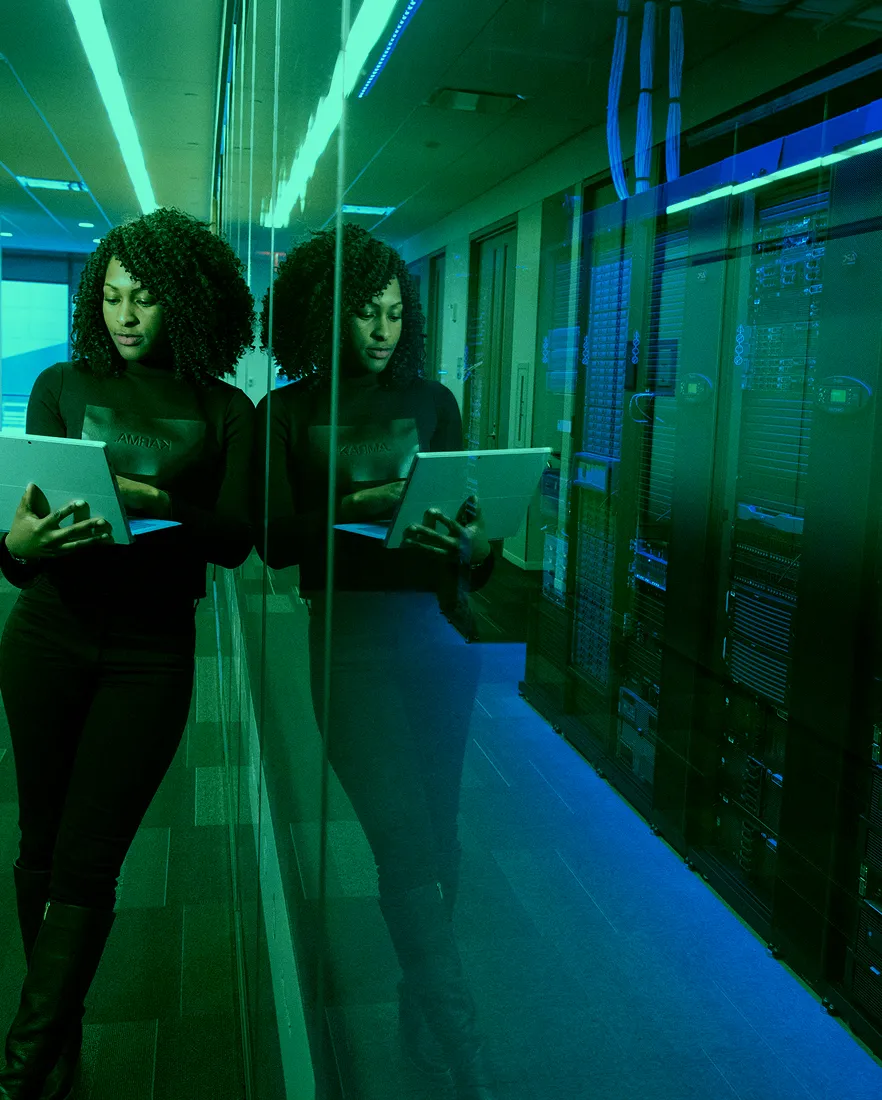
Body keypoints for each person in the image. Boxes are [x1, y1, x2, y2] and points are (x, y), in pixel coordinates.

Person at [0, 207, 255, 1100]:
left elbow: (234, 540)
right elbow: (15, 540)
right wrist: (17, 548)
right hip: (47, 630)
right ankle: (50, 1037)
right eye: (110, 296)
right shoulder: (62, 386)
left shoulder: (227, 409)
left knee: (90, 854)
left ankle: (23, 1064)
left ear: (186, 301)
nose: (125, 315)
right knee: (39, 834)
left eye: (144, 298)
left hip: (150, 650)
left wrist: (153, 500)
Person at [254, 224, 497, 1100]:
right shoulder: (284, 411)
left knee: (442, 838)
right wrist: (369, 504)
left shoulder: (433, 404)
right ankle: (466, 1046)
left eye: (396, 312)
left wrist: (470, 544)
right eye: (366, 314)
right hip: (348, 642)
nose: (384, 329)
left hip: (436, 639)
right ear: (327, 316)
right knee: (400, 842)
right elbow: (276, 544)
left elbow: (476, 557)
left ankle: (421, 1005)